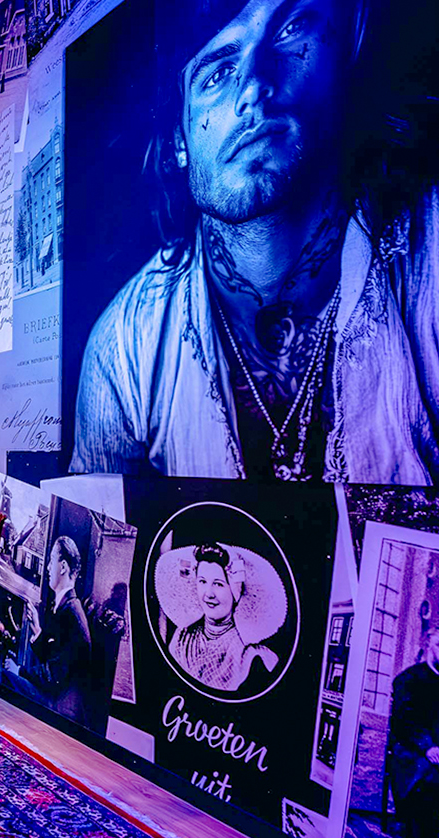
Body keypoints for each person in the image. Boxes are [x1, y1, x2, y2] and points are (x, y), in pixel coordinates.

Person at [71, 0, 439, 483]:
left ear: (348, 49)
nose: (252, 88)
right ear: (179, 141)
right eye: (216, 73)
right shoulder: (123, 351)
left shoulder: (427, 263)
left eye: (290, 29)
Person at [0, 537, 91, 713]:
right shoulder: (66, 606)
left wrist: (20, 671)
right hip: (56, 695)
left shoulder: (71, 613)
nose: (47, 568)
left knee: (3, 677)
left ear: (62, 567)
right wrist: (37, 629)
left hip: (59, 705)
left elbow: (54, 676)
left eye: (51, 561)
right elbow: (57, 658)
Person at [170, 543, 279, 692]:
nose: (208, 594)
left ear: (236, 592)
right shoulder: (182, 637)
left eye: (218, 584)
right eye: (202, 581)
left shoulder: (248, 655)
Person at [389, 629, 439, 838]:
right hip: (412, 753)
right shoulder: (410, 679)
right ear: (429, 645)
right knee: (432, 782)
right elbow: (402, 721)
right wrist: (428, 746)